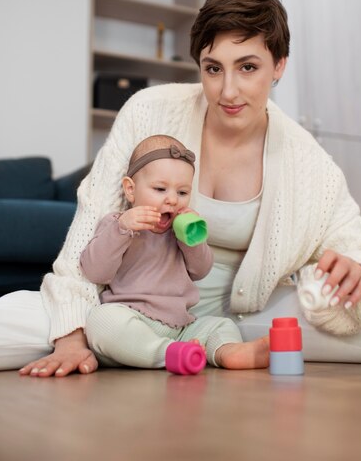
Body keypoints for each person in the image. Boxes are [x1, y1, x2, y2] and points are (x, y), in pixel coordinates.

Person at [0, 0, 361, 377]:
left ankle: (210, 349)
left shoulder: (309, 161)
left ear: (278, 66)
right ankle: (161, 350)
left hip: (248, 315)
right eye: (213, 69)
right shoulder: (149, 111)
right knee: (8, 322)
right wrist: (71, 334)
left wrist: (358, 269)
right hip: (129, 305)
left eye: (247, 67)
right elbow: (88, 231)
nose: (228, 91)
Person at [80, 133, 268, 370]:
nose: (172, 200)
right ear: (130, 190)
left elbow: (200, 270)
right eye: (160, 189)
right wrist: (123, 228)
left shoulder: (180, 233)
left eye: (182, 193)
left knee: (220, 325)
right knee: (101, 322)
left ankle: (226, 352)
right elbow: (95, 271)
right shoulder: (117, 224)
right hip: (131, 320)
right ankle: (167, 354)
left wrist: (193, 239)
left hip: (181, 328)